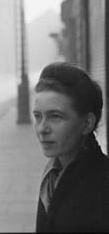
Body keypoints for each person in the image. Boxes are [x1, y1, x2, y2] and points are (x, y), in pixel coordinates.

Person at [32, 62, 109, 232]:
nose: (42, 129)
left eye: (55, 117)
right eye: (38, 116)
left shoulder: (103, 187)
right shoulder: (52, 173)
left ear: (87, 123)